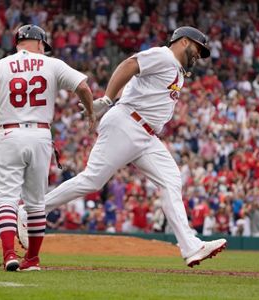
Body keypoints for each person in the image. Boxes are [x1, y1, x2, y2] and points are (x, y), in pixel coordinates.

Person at [18, 26, 227, 267]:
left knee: (171, 180)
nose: (199, 55)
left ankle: (191, 246)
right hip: (127, 122)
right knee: (92, 180)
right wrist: (108, 99)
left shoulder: (177, 70)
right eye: (198, 48)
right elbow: (129, 64)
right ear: (183, 42)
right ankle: (31, 211)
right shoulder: (164, 56)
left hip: (147, 136)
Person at [0, 24, 95, 272]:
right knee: (36, 203)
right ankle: (32, 260)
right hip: (41, 135)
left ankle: (9, 254)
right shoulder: (53, 64)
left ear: (18, 44)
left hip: (10, 133)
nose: (44, 50)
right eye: (44, 46)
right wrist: (90, 112)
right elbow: (84, 87)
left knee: (6, 198)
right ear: (38, 43)